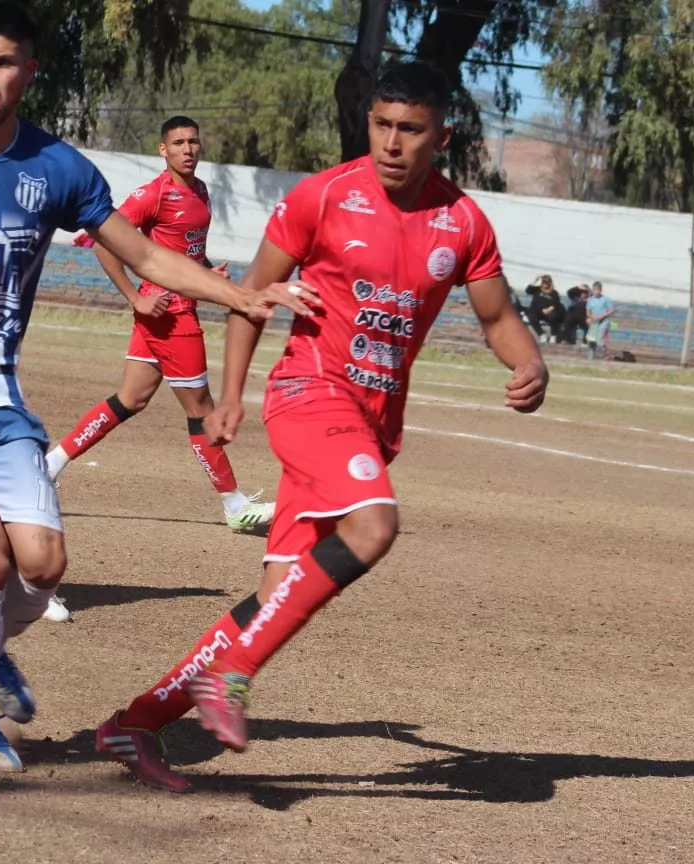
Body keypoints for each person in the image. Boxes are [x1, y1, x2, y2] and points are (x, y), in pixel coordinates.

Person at [0, 1, 319, 774]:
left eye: (4, 62)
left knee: (43, 566)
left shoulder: (57, 169)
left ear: (30, 69)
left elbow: (149, 259)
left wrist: (245, 296)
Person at [93, 61, 549, 793]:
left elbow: (498, 319)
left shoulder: (463, 221)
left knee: (276, 598)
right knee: (373, 526)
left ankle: (135, 723)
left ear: (443, 136)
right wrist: (232, 397)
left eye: (410, 130)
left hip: (371, 422)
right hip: (310, 395)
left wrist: (531, 365)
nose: (392, 143)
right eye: (381, 125)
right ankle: (232, 675)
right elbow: (251, 297)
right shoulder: (325, 195)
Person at [44, 116, 275, 535]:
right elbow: (104, 242)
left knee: (130, 398)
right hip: (169, 314)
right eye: (178, 143)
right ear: (162, 150)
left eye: (193, 141)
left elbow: (182, 254)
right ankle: (234, 504)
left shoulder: (201, 191)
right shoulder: (153, 194)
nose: (188, 149)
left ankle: (51, 463)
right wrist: (136, 297)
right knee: (201, 409)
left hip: (175, 306)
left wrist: (208, 273)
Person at [524, 274, 564, 344]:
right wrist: (535, 281)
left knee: (554, 317)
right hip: (536, 311)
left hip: (547, 312)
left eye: (546, 283)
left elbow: (556, 303)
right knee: (531, 317)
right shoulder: (537, 290)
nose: (545, 284)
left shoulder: (554, 293)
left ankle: (553, 335)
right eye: (543, 282)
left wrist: (549, 309)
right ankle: (541, 334)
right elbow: (528, 291)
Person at [586, 281, 616, 360]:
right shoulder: (590, 300)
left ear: (600, 290)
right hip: (594, 321)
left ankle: (607, 355)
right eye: (594, 290)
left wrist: (602, 316)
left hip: (604, 321)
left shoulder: (605, 299)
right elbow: (588, 312)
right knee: (591, 340)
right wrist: (591, 317)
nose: (596, 291)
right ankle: (590, 358)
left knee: (600, 338)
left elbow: (612, 310)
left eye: (597, 290)